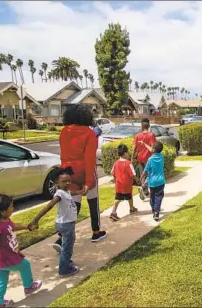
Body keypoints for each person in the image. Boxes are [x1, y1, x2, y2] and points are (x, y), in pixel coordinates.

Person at [58, 104, 106, 245]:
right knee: (93, 203)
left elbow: (63, 154)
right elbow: (89, 159)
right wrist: (89, 182)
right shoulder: (88, 133)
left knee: (73, 204)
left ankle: (62, 236)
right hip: (84, 171)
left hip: (67, 172)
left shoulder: (64, 131)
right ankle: (96, 232)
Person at [0, 194, 42, 308]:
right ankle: (29, 287)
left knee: (0, 281)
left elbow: (13, 226)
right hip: (6, 258)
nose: (13, 208)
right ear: (3, 211)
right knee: (25, 265)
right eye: (11, 206)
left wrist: (27, 227)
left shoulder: (5, 220)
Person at [29, 168, 84, 278]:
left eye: (69, 181)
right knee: (67, 246)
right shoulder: (59, 194)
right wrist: (35, 219)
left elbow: (72, 192)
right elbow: (49, 206)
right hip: (66, 224)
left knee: (68, 243)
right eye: (64, 181)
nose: (68, 183)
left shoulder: (65, 191)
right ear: (56, 183)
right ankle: (64, 270)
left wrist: (81, 191)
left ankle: (66, 261)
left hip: (67, 224)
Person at [109, 144, 139, 221]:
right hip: (127, 185)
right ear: (125, 153)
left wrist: (115, 180)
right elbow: (132, 175)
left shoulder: (116, 163)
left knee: (119, 198)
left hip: (119, 184)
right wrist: (138, 180)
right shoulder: (129, 163)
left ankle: (130, 208)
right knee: (128, 195)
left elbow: (112, 173)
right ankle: (114, 213)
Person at [140, 141, 166, 221]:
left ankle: (155, 210)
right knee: (159, 197)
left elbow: (145, 171)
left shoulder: (150, 159)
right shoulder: (161, 156)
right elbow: (152, 149)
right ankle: (156, 211)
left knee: (152, 198)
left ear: (153, 150)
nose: (151, 148)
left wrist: (141, 177)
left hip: (152, 183)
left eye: (152, 147)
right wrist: (144, 144)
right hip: (161, 181)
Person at [132, 118, 156, 200]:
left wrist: (132, 158)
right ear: (149, 126)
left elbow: (134, 148)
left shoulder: (137, 136)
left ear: (142, 126)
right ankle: (144, 188)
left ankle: (145, 191)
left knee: (142, 175)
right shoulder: (151, 135)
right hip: (149, 159)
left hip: (140, 158)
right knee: (150, 175)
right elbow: (153, 148)